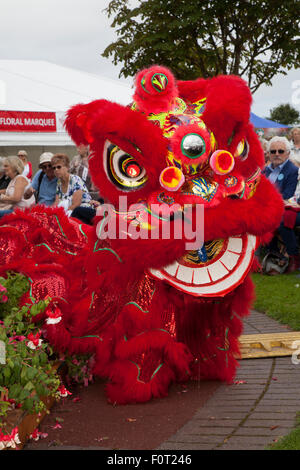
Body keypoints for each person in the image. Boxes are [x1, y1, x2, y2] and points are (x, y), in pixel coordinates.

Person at [51, 153, 96, 224]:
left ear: (67, 167)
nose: (56, 170)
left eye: (59, 167)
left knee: (75, 213)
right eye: (54, 168)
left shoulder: (75, 179)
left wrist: (61, 215)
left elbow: (76, 204)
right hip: (72, 213)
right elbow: (56, 203)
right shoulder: (59, 183)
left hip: (84, 211)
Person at [263, 136, 298, 200]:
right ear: (268, 154)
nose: (277, 154)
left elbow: (287, 196)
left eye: (281, 151)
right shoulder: (264, 170)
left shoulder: (293, 171)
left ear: (288, 153)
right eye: (273, 151)